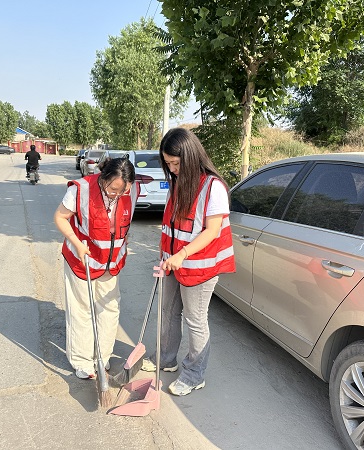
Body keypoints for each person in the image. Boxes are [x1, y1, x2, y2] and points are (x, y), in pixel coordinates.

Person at [142, 128, 235, 396]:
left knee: (195, 320)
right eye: (168, 164)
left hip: (199, 267)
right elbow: (172, 226)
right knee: (168, 312)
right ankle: (166, 358)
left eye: (176, 163)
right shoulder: (177, 181)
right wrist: (166, 257)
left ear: (192, 156)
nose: (172, 169)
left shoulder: (212, 187)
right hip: (172, 262)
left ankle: (194, 374)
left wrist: (182, 254)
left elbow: (211, 231)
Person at [54, 157, 140, 379]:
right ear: (103, 179)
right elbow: (61, 217)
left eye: (124, 191)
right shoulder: (81, 190)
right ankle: (82, 361)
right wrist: (76, 243)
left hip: (111, 263)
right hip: (82, 259)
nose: (118, 195)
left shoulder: (132, 190)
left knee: (109, 310)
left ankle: (102, 357)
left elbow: (125, 221)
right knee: (82, 310)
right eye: (113, 190)